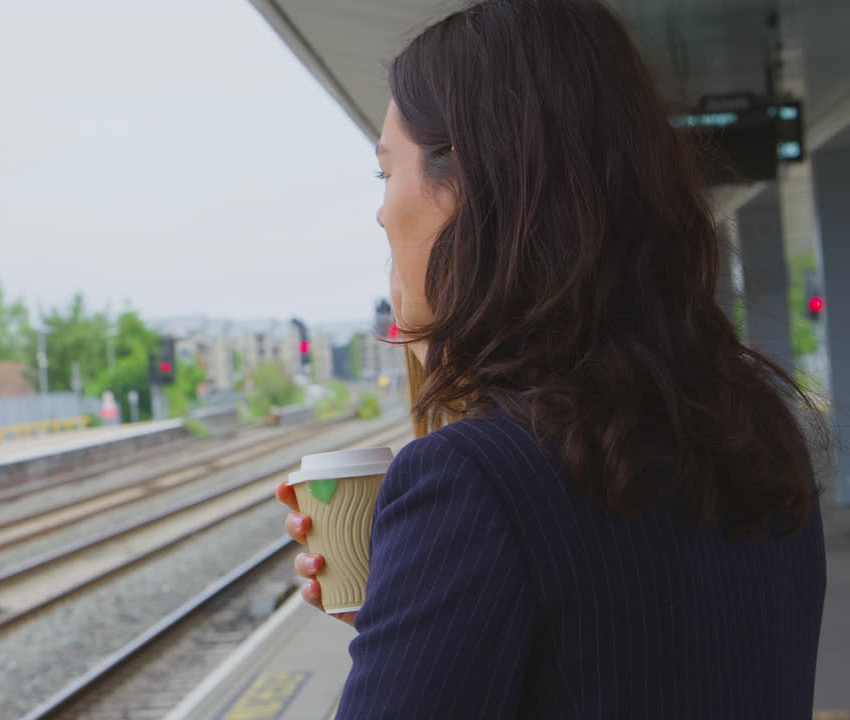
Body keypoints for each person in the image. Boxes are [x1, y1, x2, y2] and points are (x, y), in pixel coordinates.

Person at [275, 0, 829, 717]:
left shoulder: (471, 479)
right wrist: (408, 616)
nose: (382, 213)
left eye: (388, 173)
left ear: (474, 186)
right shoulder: (763, 438)